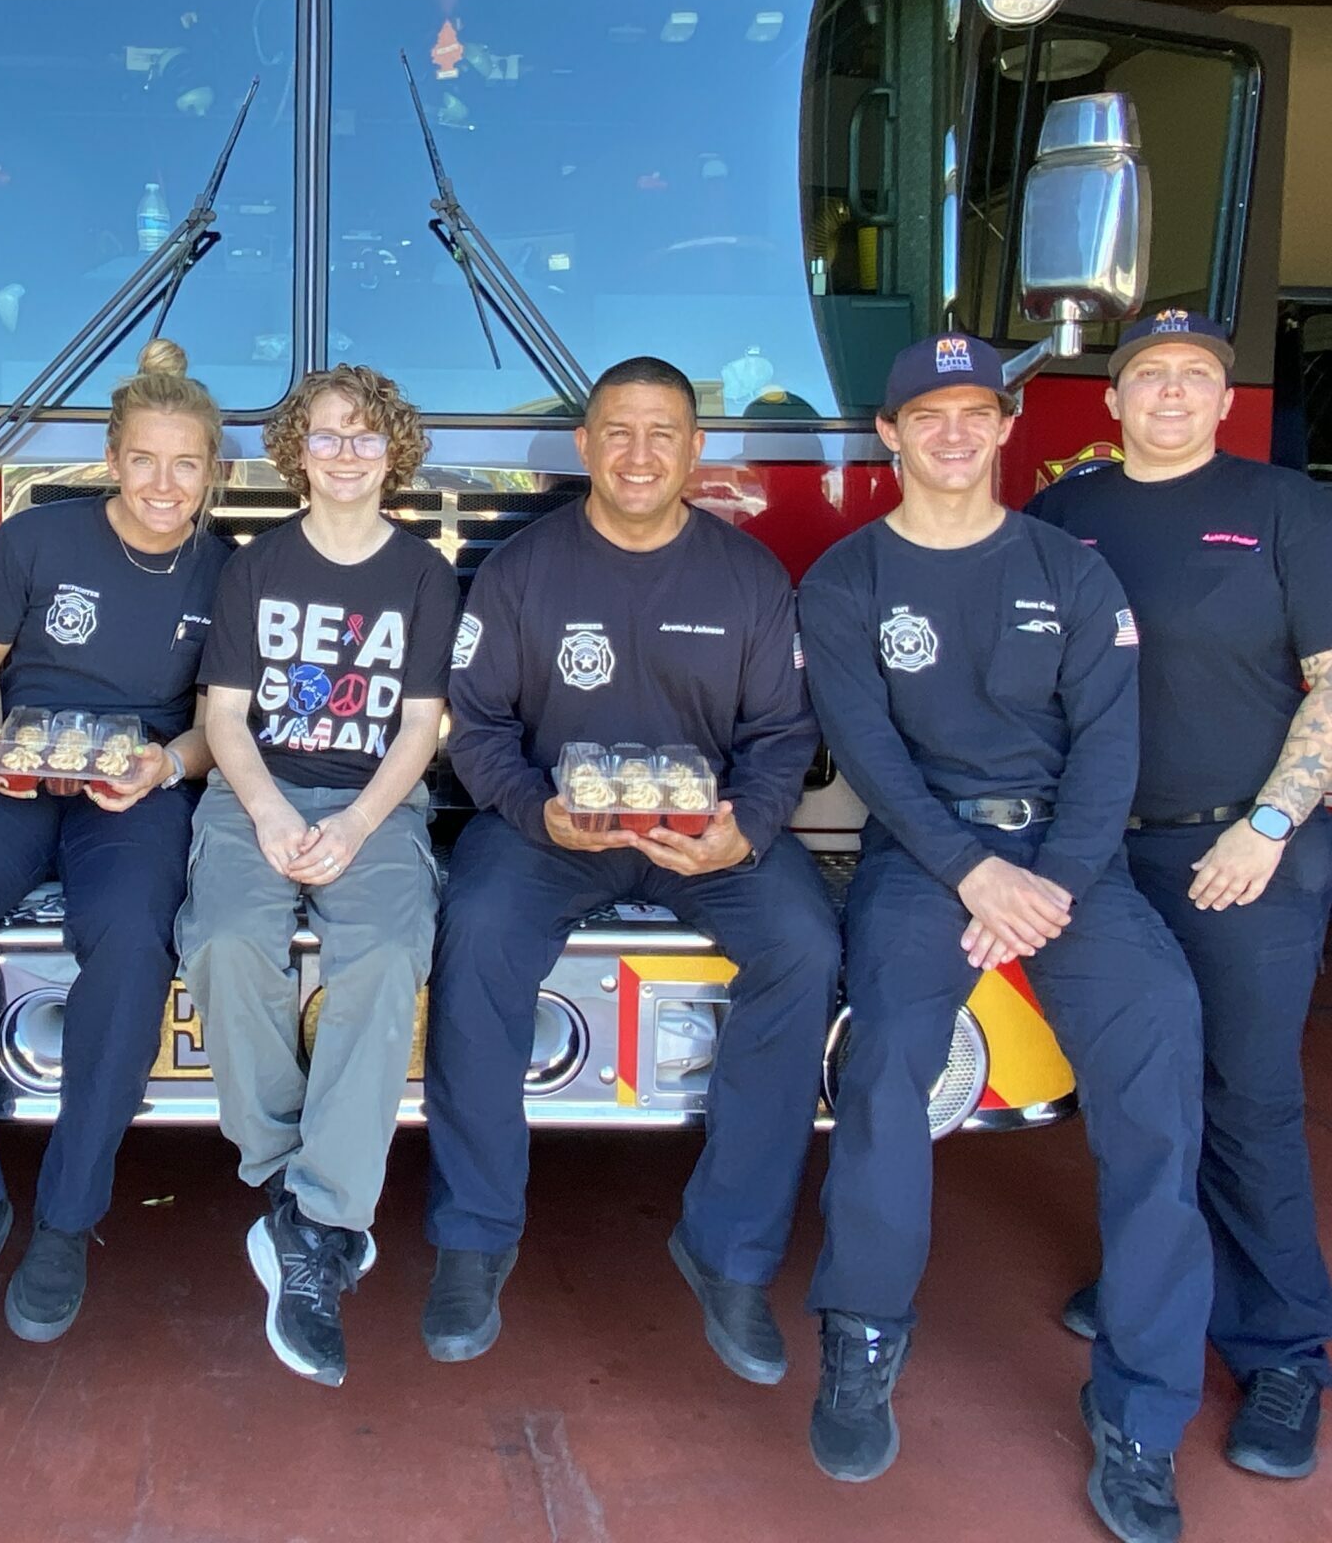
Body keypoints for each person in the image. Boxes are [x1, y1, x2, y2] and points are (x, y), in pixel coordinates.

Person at [800, 333, 1208, 1543]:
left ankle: (1140, 1416)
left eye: (977, 412)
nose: (954, 433)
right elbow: (871, 759)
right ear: (888, 435)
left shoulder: (1070, 570)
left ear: (1004, 427)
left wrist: (1051, 886)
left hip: (1073, 872)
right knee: (881, 1079)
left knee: (1161, 1089)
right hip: (927, 866)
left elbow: (1110, 749)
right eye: (928, 414)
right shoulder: (845, 581)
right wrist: (974, 872)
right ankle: (863, 1339)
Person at [422, 356, 837, 1385]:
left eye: (662, 433)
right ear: (584, 447)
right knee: (472, 935)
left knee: (804, 946)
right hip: (553, 834)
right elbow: (475, 725)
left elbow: (785, 732)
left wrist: (747, 829)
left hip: (707, 843)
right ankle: (475, 1238)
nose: (639, 454)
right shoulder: (521, 570)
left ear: (697, 451)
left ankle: (728, 1250)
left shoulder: (747, 578)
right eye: (617, 432)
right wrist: (535, 811)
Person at [0, 339, 229, 1360]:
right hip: (17, 773)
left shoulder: (229, 572)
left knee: (129, 938)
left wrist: (165, 767)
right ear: (115, 460)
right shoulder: (39, 540)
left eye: (188, 464)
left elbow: (221, 724)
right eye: (146, 460)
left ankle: (68, 1217)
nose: (166, 485)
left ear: (212, 473)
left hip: (137, 789)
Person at [1028, 307, 1332, 1481]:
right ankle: (1163, 1273)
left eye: (1193, 376)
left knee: (1248, 1099)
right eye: (1147, 375)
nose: (1169, 392)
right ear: (1111, 401)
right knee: (1140, 1092)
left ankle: (1283, 1351)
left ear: (1223, 399)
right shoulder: (1066, 515)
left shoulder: (1288, 512)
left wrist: (1268, 824)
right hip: (1100, 856)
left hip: (1241, 854)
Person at [177, 364, 460, 1388]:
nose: (347, 453)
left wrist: (351, 824)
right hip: (255, 794)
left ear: (396, 452)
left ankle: (324, 1220)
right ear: (298, 451)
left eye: (366, 436)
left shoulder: (425, 574)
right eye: (328, 436)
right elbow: (223, 718)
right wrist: (268, 811)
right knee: (222, 941)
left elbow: (422, 727)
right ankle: (288, 1186)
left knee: (386, 954)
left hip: (374, 807)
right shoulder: (254, 566)